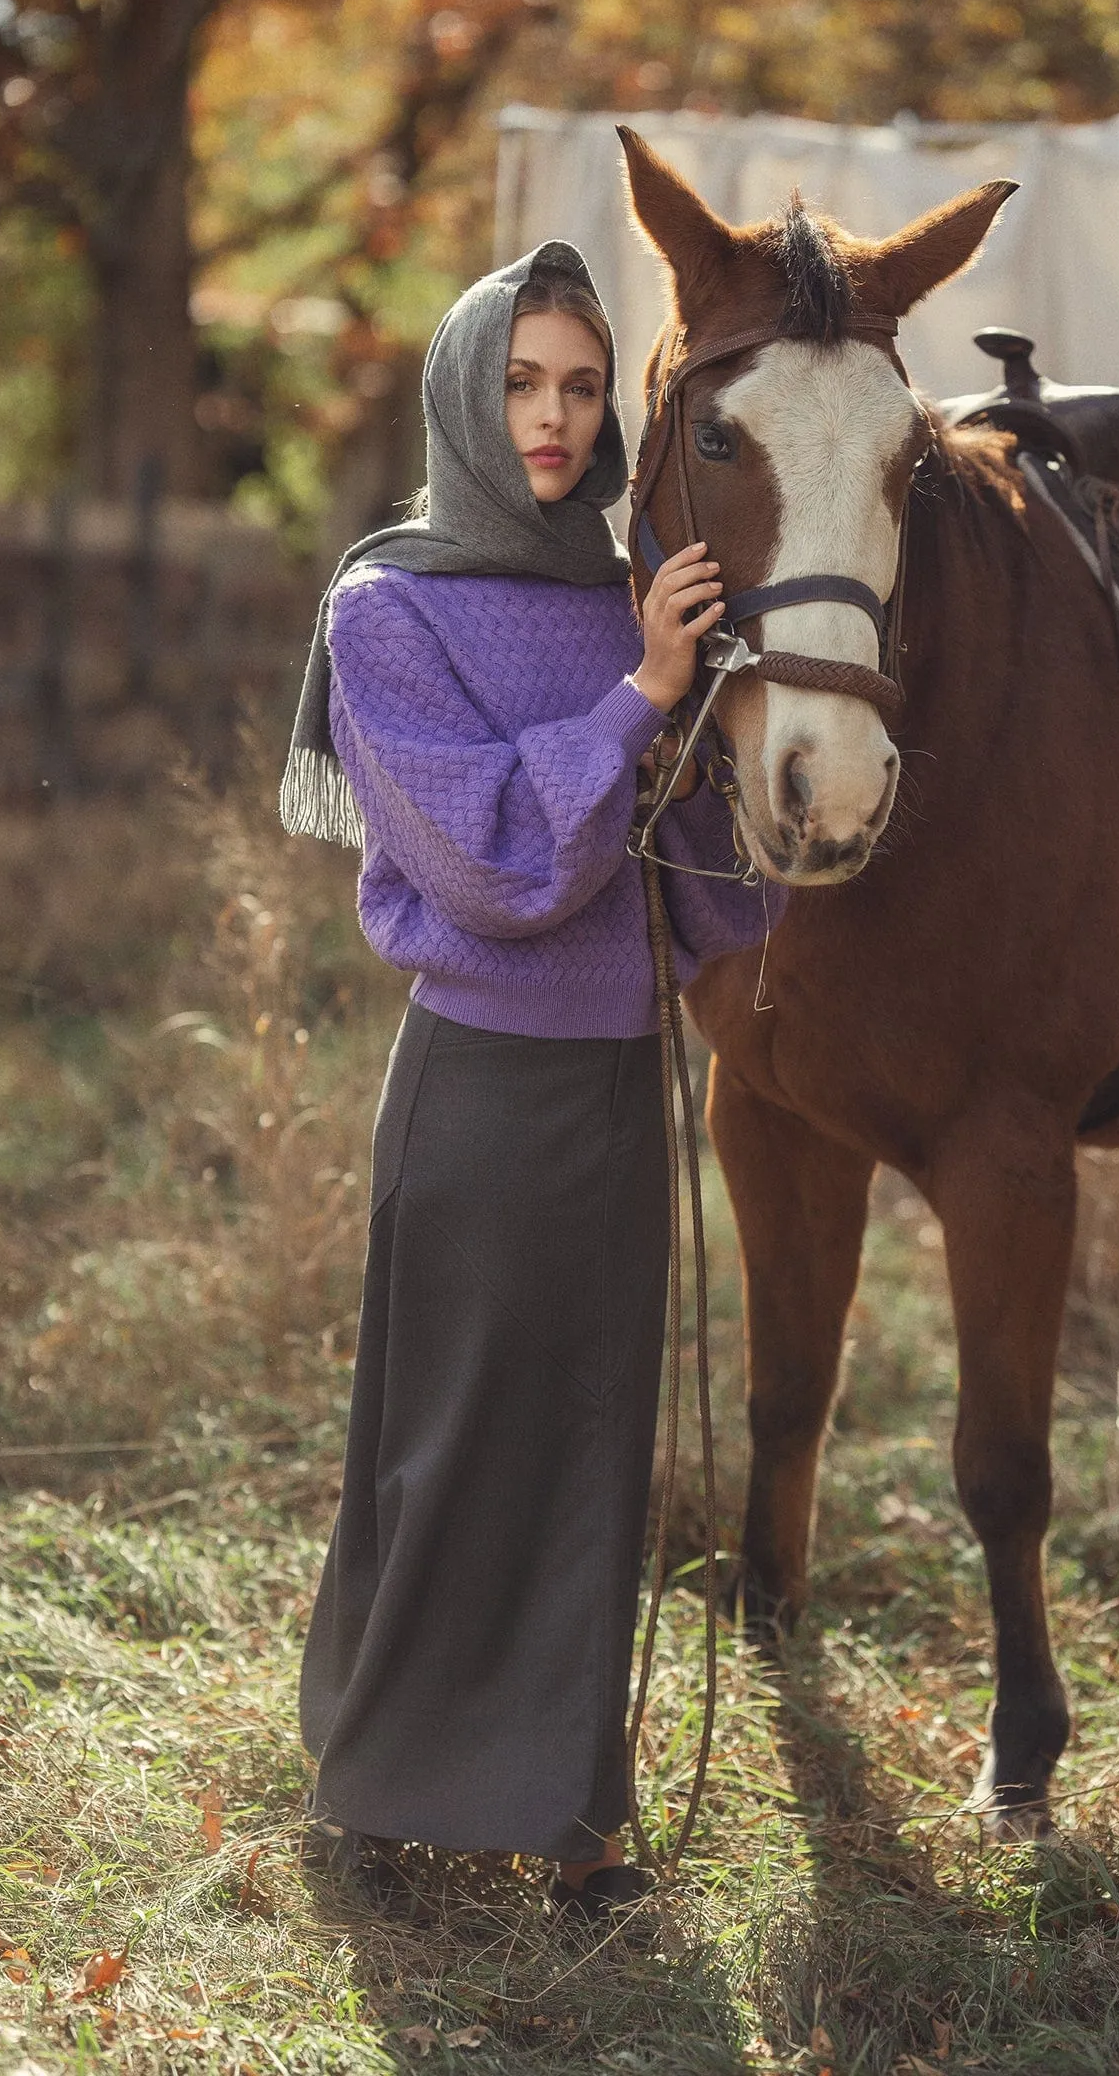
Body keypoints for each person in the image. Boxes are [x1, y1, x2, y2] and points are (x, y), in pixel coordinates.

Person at [279, 240, 774, 1922]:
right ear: (462, 393)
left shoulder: (632, 584)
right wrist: (641, 693)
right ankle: (384, 1792)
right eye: (520, 382)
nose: (552, 418)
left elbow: (701, 887)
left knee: (590, 1448)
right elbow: (494, 868)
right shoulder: (385, 605)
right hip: (479, 1091)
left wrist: (723, 721)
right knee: (451, 1438)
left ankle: (569, 1821)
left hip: (617, 1092)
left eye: (579, 384)